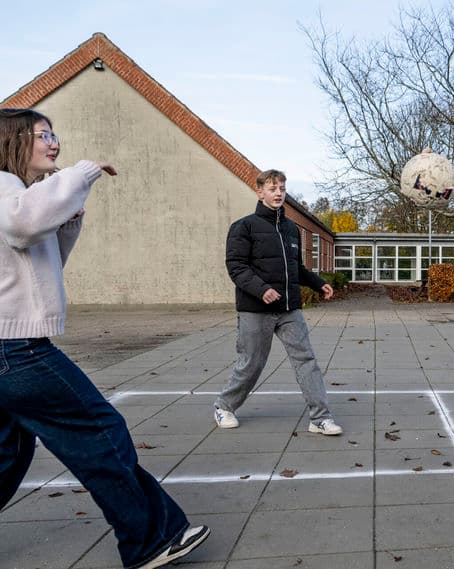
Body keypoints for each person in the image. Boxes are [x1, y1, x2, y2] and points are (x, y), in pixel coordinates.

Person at [0, 108, 209, 569]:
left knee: (8, 452)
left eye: (54, 134)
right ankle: (150, 540)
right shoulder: (5, 188)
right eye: (42, 135)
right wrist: (81, 173)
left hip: (9, 351)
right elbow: (22, 225)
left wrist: (67, 225)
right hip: (17, 351)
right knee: (99, 433)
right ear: (13, 141)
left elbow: (39, 265)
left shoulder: (19, 196)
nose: (53, 142)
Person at [214, 169, 343, 435]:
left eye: (282, 189)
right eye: (273, 189)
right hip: (255, 309)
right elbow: (236, 267)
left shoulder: (291, 229)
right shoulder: (243, 227)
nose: (278, 193)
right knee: (252, 363)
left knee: (306, 360)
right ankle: (224, 406)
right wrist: (261, 290)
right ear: (260, 192)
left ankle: (320, 418)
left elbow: (297, 268)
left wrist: (318, 283)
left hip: (289, 309)